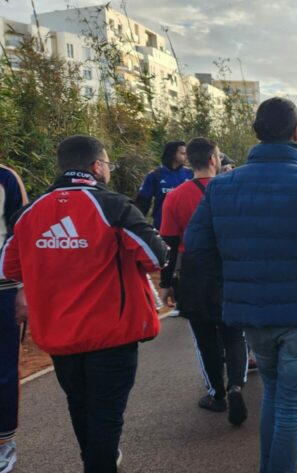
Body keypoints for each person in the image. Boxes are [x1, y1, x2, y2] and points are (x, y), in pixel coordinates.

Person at [186, 97, 297, 472]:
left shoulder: (222, 186)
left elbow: (196, 247)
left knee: (276, 397)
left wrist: (233, 280)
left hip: (253, 310)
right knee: (291, 406)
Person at [1, 135, 168, 472]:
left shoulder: (28, 213)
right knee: (106, 414)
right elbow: (156, 257)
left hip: (59, 336)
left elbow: (8, 267)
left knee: (80, 406)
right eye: (107, 163)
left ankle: (94, 460)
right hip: (112, 333)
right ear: (96, 167)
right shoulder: (114, 206)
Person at [158, 138, 249, 423]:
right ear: (212, 159)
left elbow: (169, 244)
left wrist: (165, 283)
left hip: (194, 271)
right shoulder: (235, 190)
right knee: (235, 332)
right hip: (232, 268)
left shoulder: (174, 196)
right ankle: (236, 384)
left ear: (190, 161)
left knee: (204, 336)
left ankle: (216, 394)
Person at [0, 162, 27, 473]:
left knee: (4, 371)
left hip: (3, 290)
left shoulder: (6, 178)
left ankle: (4, 442)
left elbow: (21, 233)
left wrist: (23, 288)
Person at [136, 140, 193, 230]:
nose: (186, 157)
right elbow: (142, 203)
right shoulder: (155, 175)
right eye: (183, 153)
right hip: (162, 227)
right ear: (172, 154)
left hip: (186, 228)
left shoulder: (191, 174)